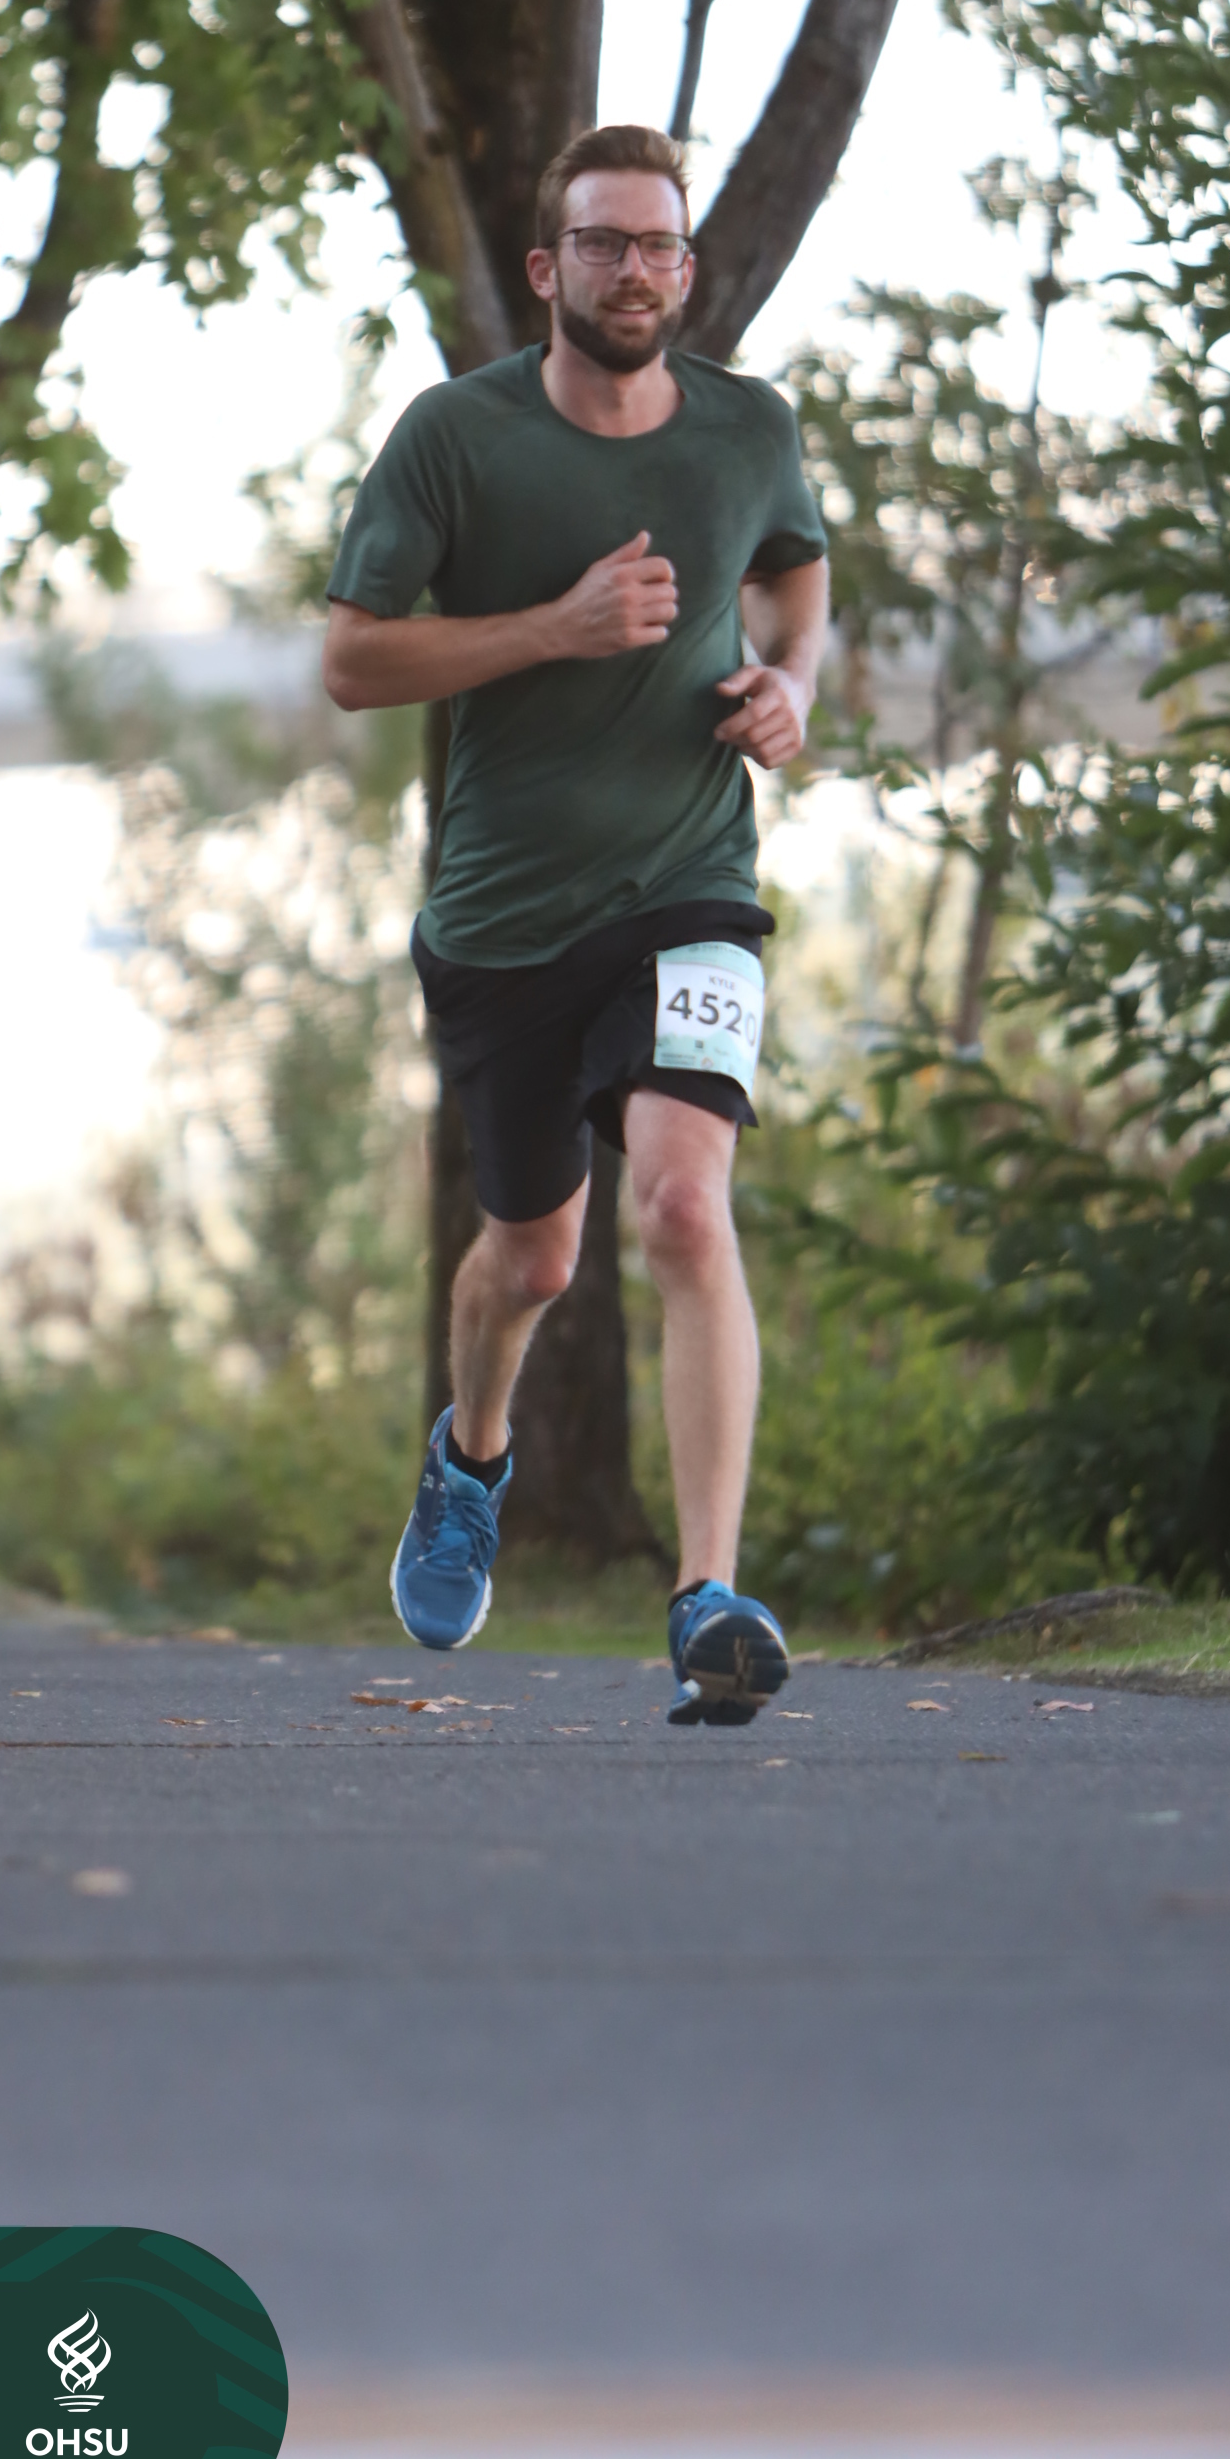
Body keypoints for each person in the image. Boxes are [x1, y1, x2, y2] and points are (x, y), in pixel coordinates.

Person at [323, 122, 829, 1727]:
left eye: (659, 245)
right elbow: (353, 658)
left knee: (681, 1208)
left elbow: (797, 573)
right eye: (604, 244)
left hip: (691, 886)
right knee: (533, 1260)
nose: (634, 271)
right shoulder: (456, 438)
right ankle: (471, 1459)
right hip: (505, 917)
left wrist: (791, 682)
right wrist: (555, 626)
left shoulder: (748, 429)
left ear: (689, 268)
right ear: (550, 268)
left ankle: (708, 1600)